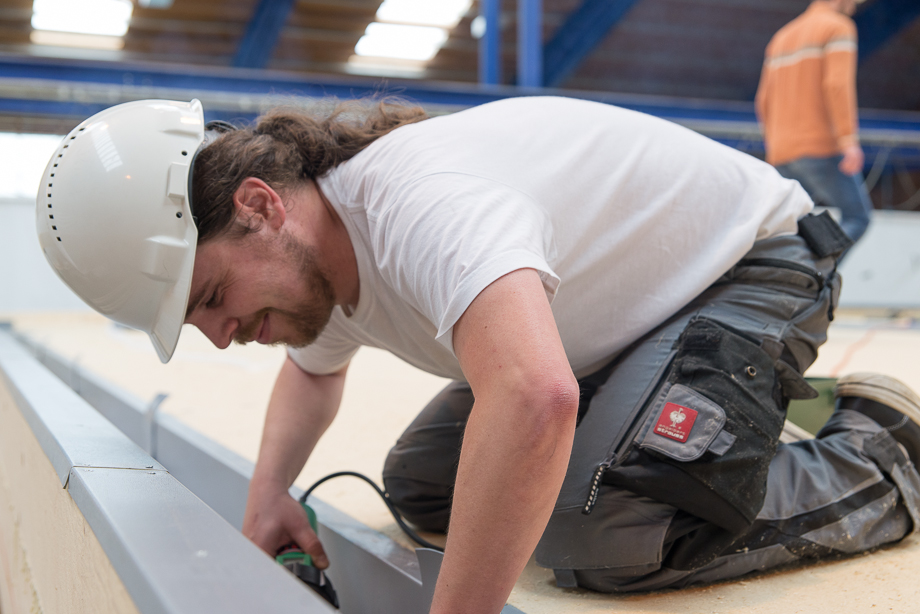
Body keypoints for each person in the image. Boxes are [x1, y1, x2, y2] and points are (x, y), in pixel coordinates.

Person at [38, 95, 920, 612]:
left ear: (263, 206)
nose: (222, 335)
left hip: (750, 266)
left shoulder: (418, 205)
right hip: (617, 322)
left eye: (212, 300)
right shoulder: (316, 261)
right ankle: (702, 419)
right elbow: (311, 382)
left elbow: (536, 399)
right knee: (426, 485)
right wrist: (268, 499)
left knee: (605, 532)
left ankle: (883, 449)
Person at [756, 0, 874, 246]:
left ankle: (793, 275)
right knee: (857, 217)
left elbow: (762, 101)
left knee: (789, 225)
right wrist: (848, 141)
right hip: (819, 146)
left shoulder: (783, 36)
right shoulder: (838, 27)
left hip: (781, 152)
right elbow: (837, 86)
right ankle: (814, 275)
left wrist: (774, 143)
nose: (855, 5)